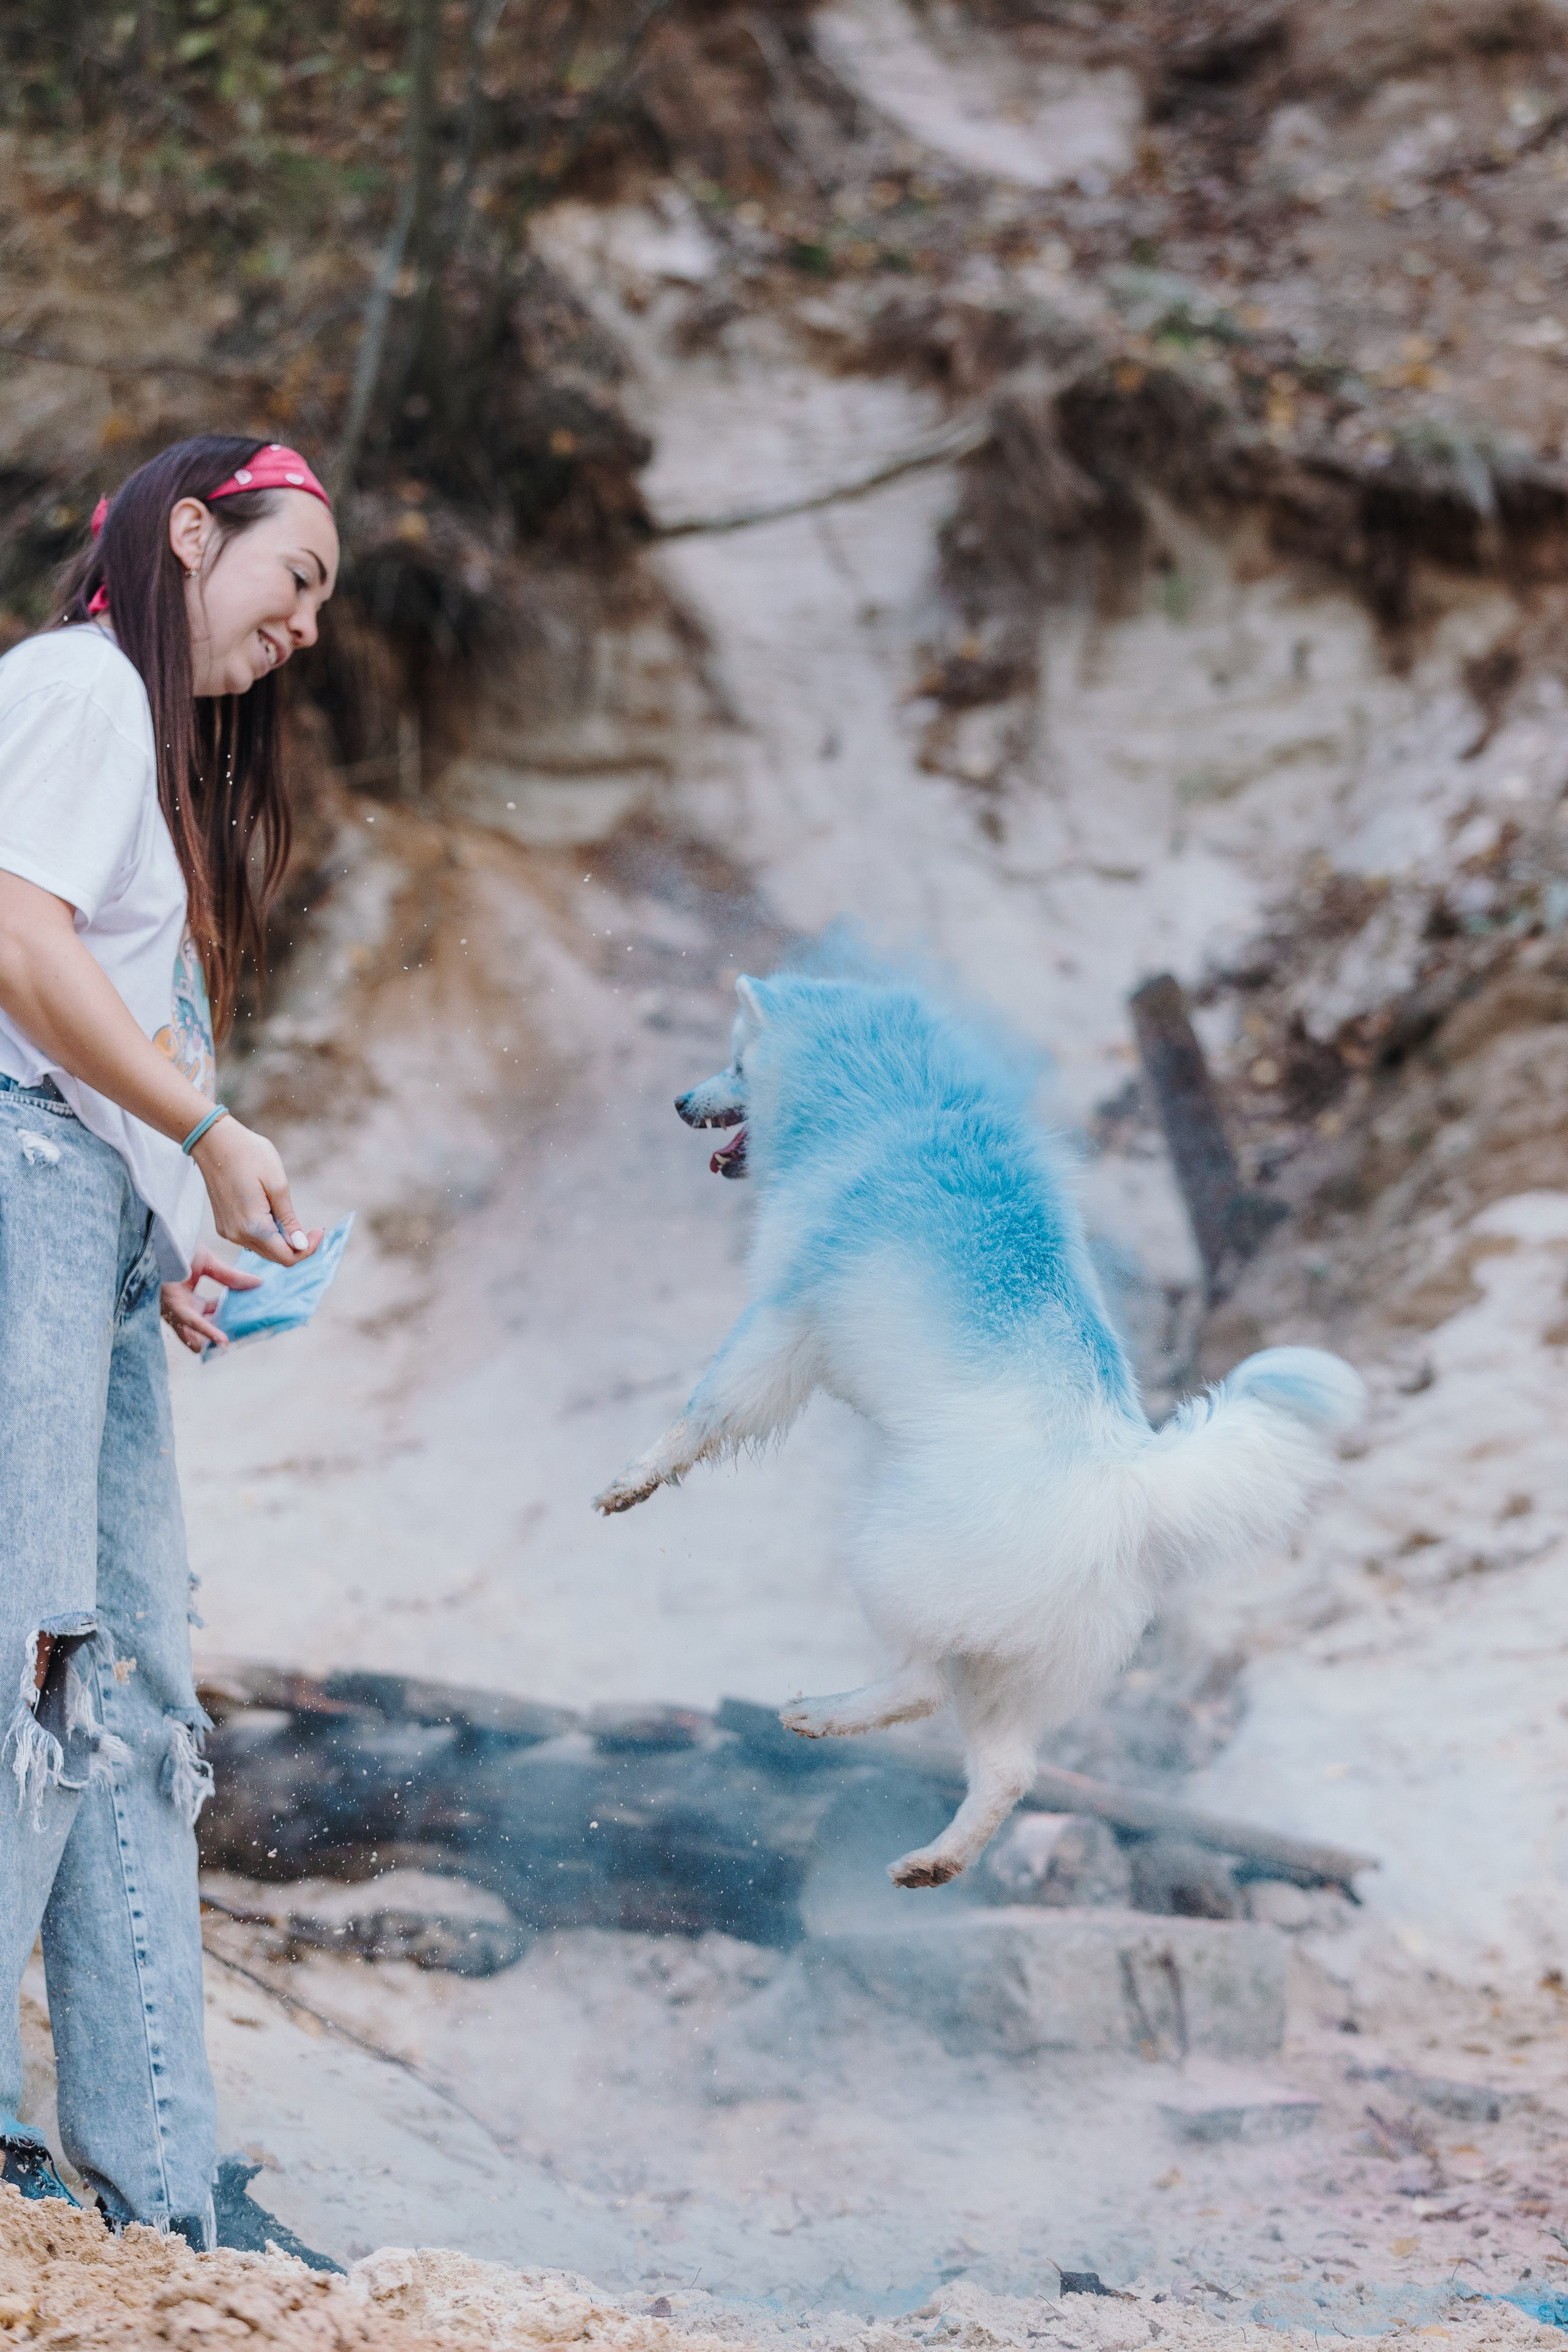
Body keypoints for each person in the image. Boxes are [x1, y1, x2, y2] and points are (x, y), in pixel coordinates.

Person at [0, 434, 338, 2247]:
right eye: (295, 581)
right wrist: (204, 1137)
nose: (303, 629)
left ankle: (161, 2194)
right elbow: (14, 946)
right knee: (26, 1659)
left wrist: (173, 1222)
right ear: (194, 531)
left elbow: (85, 1020)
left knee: (129, 1708)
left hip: (85, 1218)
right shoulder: (71, 686)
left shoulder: (137, 748)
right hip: (15, 1190)